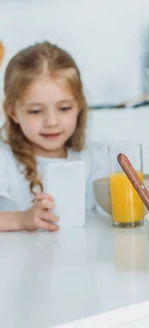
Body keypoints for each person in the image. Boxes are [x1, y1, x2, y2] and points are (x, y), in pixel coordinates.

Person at [0, 42, 92, 232]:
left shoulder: (93, 158)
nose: (51, 122)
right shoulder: (4, 161)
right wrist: (22, 219)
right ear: (13, 112)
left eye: (64, 108)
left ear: (79, 105)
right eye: (35, 111)